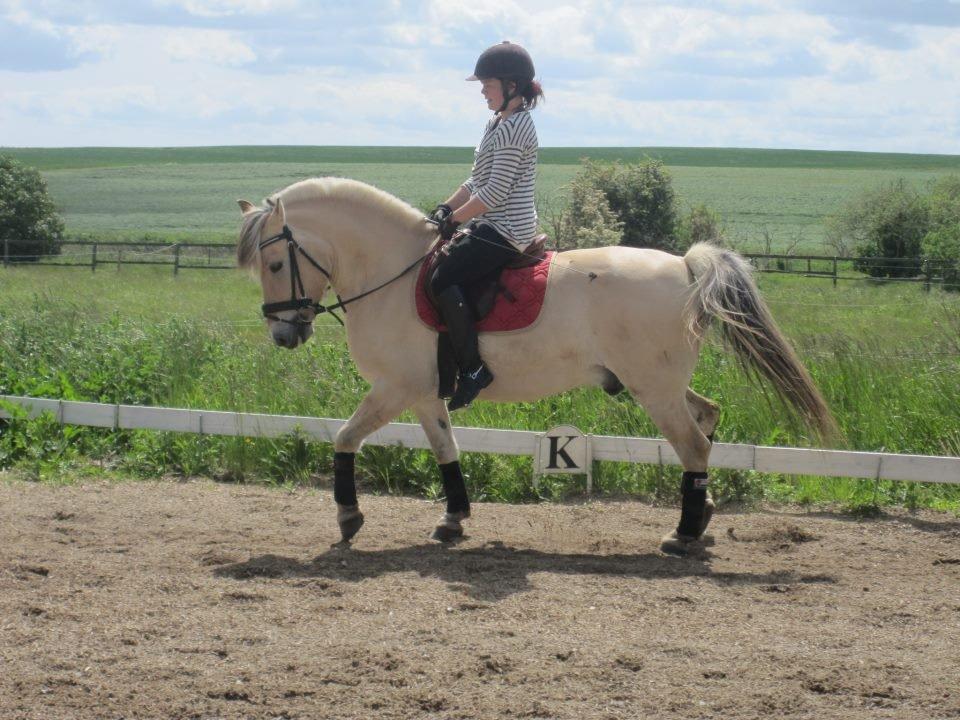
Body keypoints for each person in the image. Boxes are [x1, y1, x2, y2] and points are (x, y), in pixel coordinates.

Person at [430, 41, 544, 412]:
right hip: (491, 222)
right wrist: (446, 208)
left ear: (511, 85)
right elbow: (476, 180)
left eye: (487, 84)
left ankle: (475, 370)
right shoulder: (497, 122)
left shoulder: (517, 128)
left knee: (442, 279)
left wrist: (456, 220)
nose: (482, 91)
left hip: (508, 229)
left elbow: (494, 192)